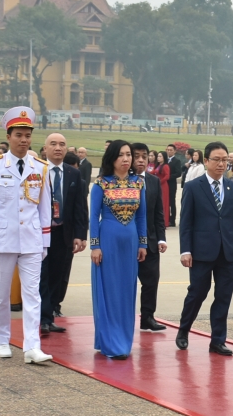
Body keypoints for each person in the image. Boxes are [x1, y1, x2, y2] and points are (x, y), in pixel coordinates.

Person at [0, 106, 53, 364]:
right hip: (3, 239)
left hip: (31, 239)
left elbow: (44, 207)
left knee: (32, 293)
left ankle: (32, 345)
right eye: (19, 135)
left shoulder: (40, 167)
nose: (24, 140)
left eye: (28, 135)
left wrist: (45, 241)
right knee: (0, 293)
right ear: (8, 136)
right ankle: (1, 338)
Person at [176, 141, 233, 356]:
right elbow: (186, 222)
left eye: (225, 160)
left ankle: (217, 340)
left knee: (223, 296)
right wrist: (185, 250)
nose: (221, 164)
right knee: (197, 293)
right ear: (206, 161)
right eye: (216, 159)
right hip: (201, 252)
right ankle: (183, 330)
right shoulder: (193, 187)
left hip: (227, 252)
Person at [90, 141, 147, 358]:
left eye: (129, 155)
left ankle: (123, 340)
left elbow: (141, 216)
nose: (126, 159)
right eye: (121, 155)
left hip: (130, 244)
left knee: (126, 291)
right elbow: (94, 217)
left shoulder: (138, 183)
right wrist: (95, 246)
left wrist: (143, 243)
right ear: (112, 158)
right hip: (108, 243)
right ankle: (110, 342)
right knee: (109, 290)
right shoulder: (101, 184)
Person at [39, 134, 87, 335]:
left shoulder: (73, 174)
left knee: (58, 276)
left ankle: (50, 315)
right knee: (42, 276)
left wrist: (80, 234)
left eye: (62, 144)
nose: (58, 148)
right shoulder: (36, 171)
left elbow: (80, 207)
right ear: (45, 148)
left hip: (63, 233)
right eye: (53, 144)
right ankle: (43, 318)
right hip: (40, 233)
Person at [131, 143, 168, 333]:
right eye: (136, 156)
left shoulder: (153, 181)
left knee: (151, 282)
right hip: (128, 242)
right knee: (128, 284)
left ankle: (148, 317)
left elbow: (158, 213)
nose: (140, 160)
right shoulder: (121, 181)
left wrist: (161, 238)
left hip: (151, 241)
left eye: (144, 156)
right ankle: (125, 319)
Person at [152, 150, 172, 228]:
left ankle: (164, 222)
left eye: (160, 156)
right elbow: (153, 172)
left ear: (164, 158)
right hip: (158, 185)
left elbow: (167, 176)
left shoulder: (165, 166)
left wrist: (159, 182)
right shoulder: (157, 166)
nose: (158, 158)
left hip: (163, 186)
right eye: (158, 156)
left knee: (164, 204)